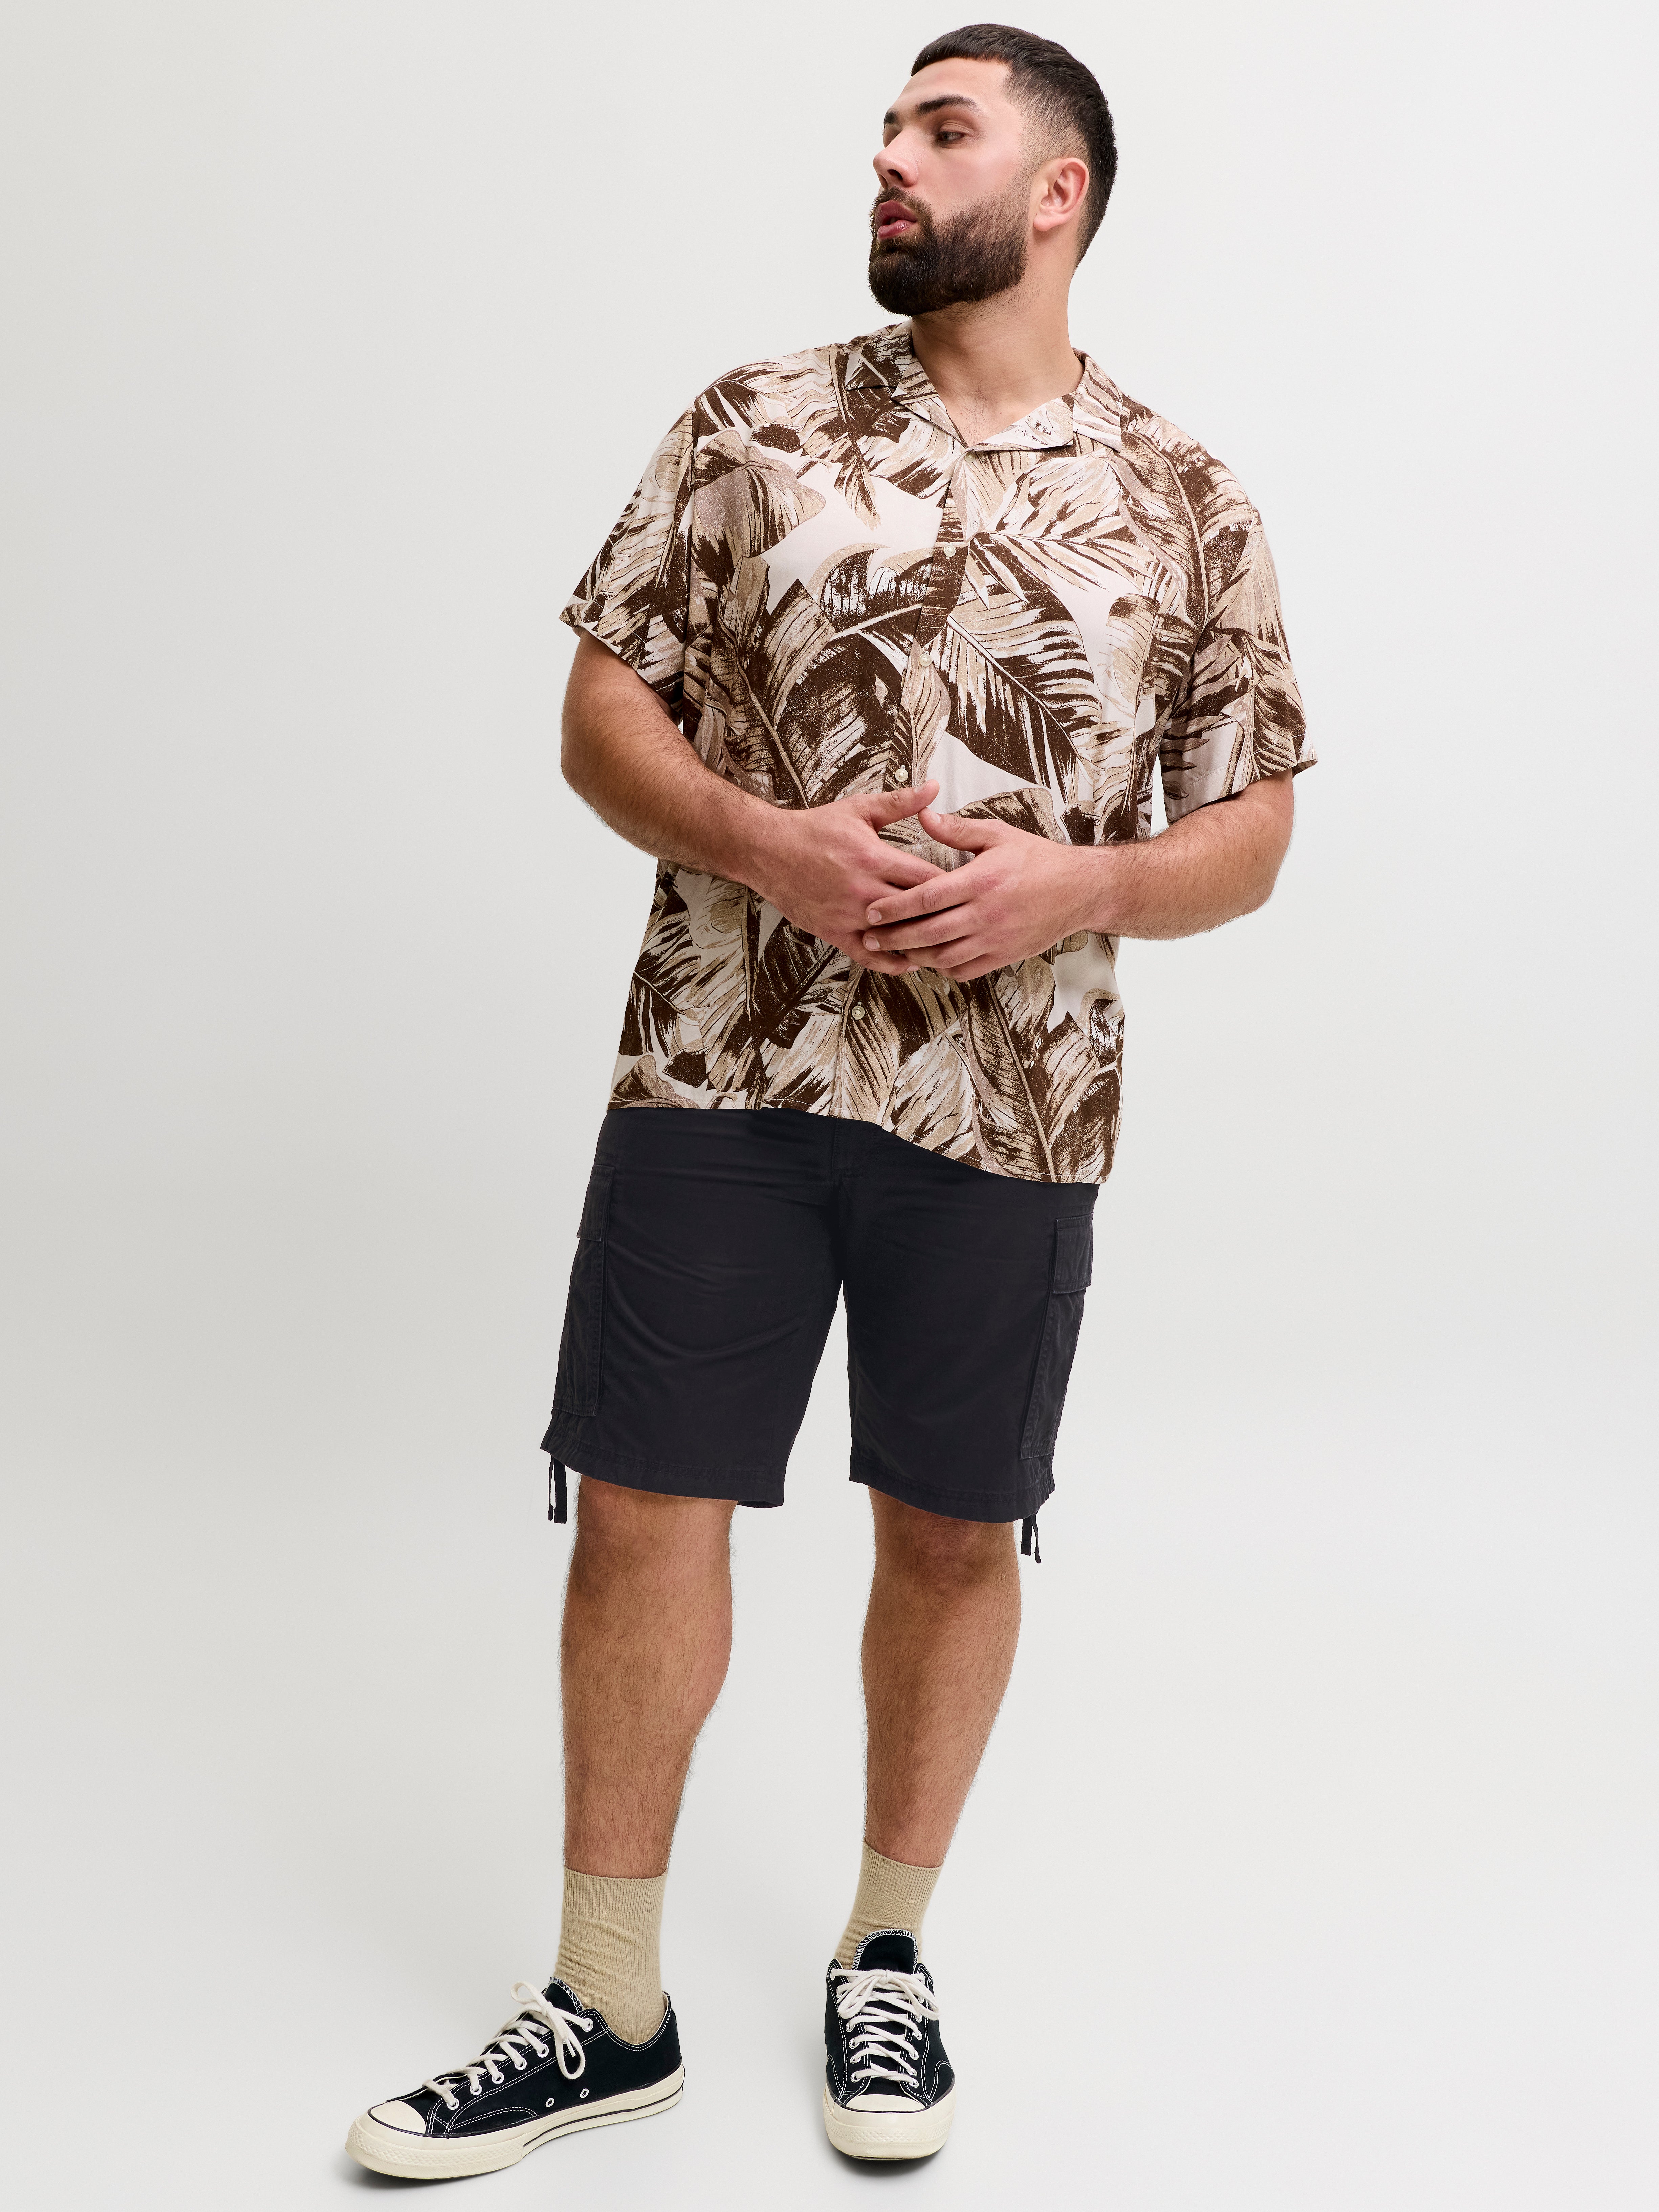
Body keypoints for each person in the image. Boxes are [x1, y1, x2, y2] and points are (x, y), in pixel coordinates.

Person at [346, 19, 1312, 2178]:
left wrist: (1082, 884)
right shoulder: (749, 423)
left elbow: (1250, 830)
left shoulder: (1187, 500)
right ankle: (605, 1998)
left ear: (1054, 192)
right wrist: (763, 843)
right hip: (722, 1060)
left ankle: (884, 1955)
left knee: (954, 1528)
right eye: (884, 124)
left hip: (1012, 1107)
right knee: (641, 1499)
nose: (887, 156)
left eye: (938, 129)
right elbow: (601, 713)